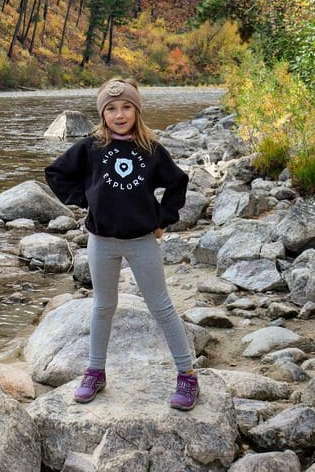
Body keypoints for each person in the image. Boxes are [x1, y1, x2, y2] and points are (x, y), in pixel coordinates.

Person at [44, 78, 199, 410]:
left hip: (142, 241)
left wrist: (162, 219)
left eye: (126, 107)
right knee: (102, 307)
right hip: (102, 241)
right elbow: (56, 173)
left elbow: (178, 183)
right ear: (102, 114)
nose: (119, 114)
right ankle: (95, 371)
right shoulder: (90, 148)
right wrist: (86, 201)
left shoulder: (151, 150)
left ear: (137, 110)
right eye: (111, 109)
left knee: (161, 307)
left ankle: (187, 376)